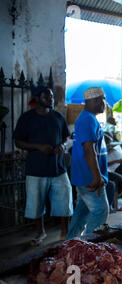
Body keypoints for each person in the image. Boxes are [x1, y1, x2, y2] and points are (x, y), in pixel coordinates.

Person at [13, 86, 73, 245]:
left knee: (65, 201)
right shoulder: (27, 118)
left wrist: (63, 146)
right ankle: (40, 232)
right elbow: (18, 142)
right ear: (37, 98)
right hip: (36, 169)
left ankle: (64, 233)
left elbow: (67, 138)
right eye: (47, 97)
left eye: (52, 97)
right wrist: (38, 147)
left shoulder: (58, 117)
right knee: (36, 203)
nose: (51, 99)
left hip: (58, 168)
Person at [66, 87, 110, 239]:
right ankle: (90, 247)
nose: (105, 103)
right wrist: (97, 176)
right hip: (89, 177)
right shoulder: (87, 119)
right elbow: (88, 150)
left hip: (84, 175)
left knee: (81, 214)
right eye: (104, 100)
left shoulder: (87, 118)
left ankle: (69, 244)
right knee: (100, 211)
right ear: (96, 100)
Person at [104, 131, 122, 210]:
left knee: (121, 177)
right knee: (117, 180)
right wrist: (115, 161)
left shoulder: (111, 149)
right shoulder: (99, 149)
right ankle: (110, 205)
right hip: (102, 171)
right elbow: (103, 164)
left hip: (109, 170)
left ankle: (116, 198)